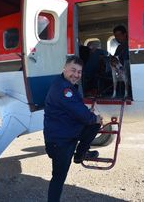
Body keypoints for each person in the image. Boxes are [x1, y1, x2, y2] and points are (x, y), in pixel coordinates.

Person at [43, 55, 103, 202]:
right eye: (73, 70)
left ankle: (80, 154)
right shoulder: (64, 90)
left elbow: (78, 110)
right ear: (64, 69)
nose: (76, 75)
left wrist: (91, 117)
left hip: (66, 132)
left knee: (92, 123)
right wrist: (95, 118)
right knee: (58, 177)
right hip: (60, 142)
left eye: (79, 72)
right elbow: (80, 113)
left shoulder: (64, 84)